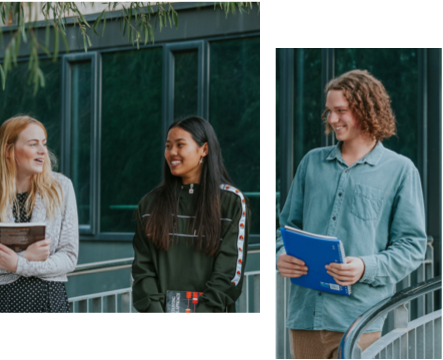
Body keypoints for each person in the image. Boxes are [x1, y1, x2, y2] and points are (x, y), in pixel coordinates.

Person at [275, 70, 426, 359]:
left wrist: (365, 267)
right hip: (306, 318)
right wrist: (281, 256)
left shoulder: (401, 171)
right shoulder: (311, 163)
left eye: (341, 111)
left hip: (362, 321)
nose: (331, 119)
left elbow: (413, 247)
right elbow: (286, 228)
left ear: (367, 109)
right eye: (329, 111)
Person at [131, 116, 251, 313]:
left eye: (180, 145)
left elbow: (229, 274)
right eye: (168, 146)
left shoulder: (231, 203)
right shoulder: (149, 204)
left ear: (204, 149)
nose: (172, 152)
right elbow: (142, 270)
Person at [0, 115, 79, 313]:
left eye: (43, 143)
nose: (43, 151)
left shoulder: (62, 188)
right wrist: (25, 256)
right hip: (0, 303)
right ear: (9, 150)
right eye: (33, 144)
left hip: (48, 301)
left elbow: (69, 257)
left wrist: (18, 263)